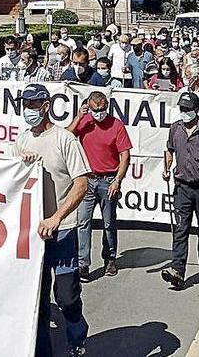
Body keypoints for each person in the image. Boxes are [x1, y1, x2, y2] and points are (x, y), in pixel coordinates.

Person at [15, 84, 90, 357]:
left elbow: (81, 184)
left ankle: (77, 332)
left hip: (63, 232)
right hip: (34, 233)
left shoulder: (64, 140)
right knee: (39, 302)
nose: (29, 110)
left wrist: (57, 217)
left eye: (34, 105)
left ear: (46, 106)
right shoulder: (22, 139)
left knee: (66, 297)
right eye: (25, 104)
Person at [161, 92, 199, 289]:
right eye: (182, 109)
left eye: (188, 109)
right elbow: (170, 150)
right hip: (182, 187)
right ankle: (178, 269)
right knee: (181, 229)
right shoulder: (175, 129)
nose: (184, 113)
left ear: (196, 110)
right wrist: (166, 168)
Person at [67, 92, 132, 281]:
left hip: (108, 179)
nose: (99, 113)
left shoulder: (116, 125)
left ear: (107, 106)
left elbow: (125, 156)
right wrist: (79, 117)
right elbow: (66, 136)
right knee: (83, 222)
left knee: (108, 222)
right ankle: (82, 264)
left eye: (102, 109)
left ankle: (110, 258)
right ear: (89, 107)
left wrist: (117, 180)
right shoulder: (85, 121)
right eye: (95, 110)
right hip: (87, 179)